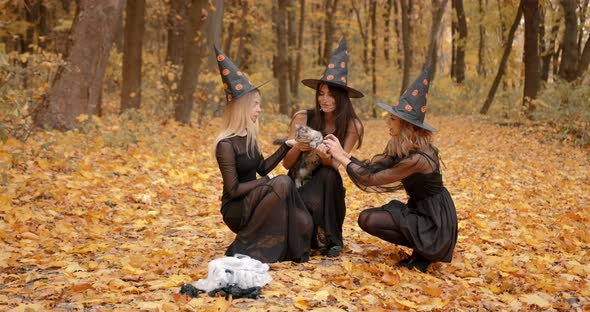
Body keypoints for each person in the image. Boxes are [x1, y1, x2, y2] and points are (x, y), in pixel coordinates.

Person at [323, 65, 458, 272]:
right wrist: (344, 153)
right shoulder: (400, 146)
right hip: (419, 210)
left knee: (369, 218)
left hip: (436, 221)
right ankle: (421, 250)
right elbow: (371, 168)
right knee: (367, 218)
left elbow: (371, 180)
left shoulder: (420, 159)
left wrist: (341, 157)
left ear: (407, 126)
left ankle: (426, 253)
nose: (388, 122)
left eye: (393, 119)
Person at [213, 46, 313, 263]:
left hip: (256, 198)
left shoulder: (249, 136)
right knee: (282, 183)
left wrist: (287, 145)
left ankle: (285, 240)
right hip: (237, 208)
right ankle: (240, 246)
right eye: (255, 104)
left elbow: (262, 168)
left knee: (296, 210)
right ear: (242, 107)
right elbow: (234, 189)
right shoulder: (225, 145)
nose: (259, 109)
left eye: (259, 104)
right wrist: (266, 183)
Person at [283, 37, 364, 257]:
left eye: (330, 95)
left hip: (327, 184)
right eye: (321, 94)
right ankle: (305, 233)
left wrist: (325, 155)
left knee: (328, 175)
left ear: (341, 97)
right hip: (299, 180)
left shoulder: (352, 126)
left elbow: (336, 165)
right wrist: (299, 148)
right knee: (314, 184)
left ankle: (332, 239)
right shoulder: (302, 117)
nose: (324, 99)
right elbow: (286, 164)